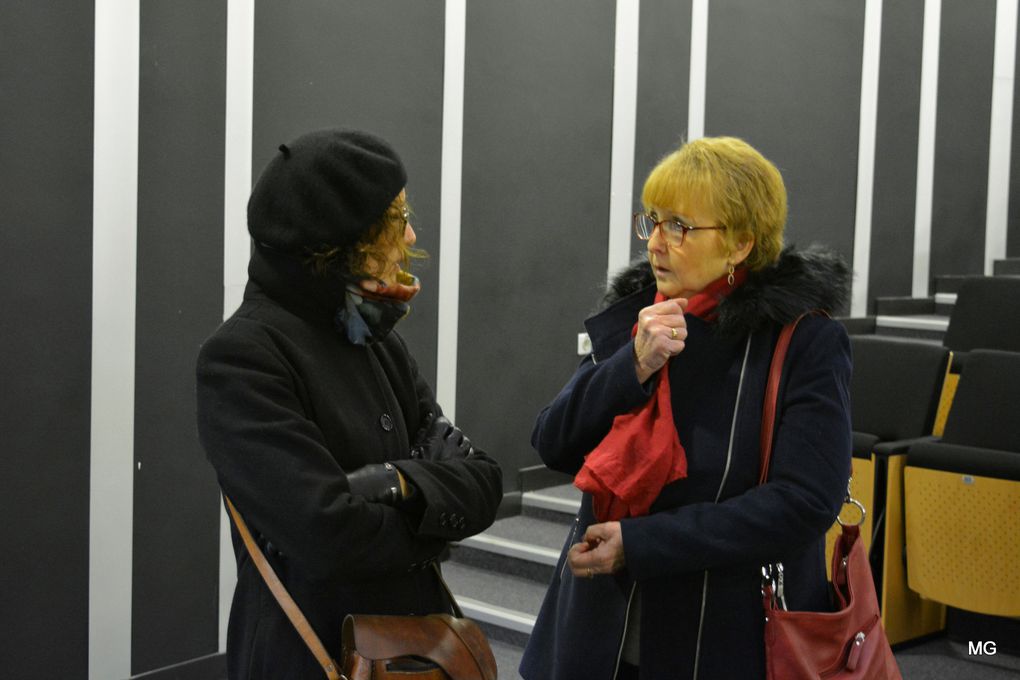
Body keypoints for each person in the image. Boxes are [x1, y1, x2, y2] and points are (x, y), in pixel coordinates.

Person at [520, 136, 852, 679]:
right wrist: (632, 365)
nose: (654, 243)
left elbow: (806, 501)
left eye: (679, 226)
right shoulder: (643, 317)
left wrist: (642, 544)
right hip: (599, 628)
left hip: (721, 633)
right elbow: (553, 442)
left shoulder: (802, 341)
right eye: (651, 221)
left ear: (741, 244)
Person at [196, 129, 503, 680]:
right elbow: (326, 535)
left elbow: (484, 482)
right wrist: (431, 501)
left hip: (415, 651)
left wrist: (393, 480)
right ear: (337, 243)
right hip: (312, 653)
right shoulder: (242, 356)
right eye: (395, 220)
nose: (410, 234)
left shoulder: (377, 339)